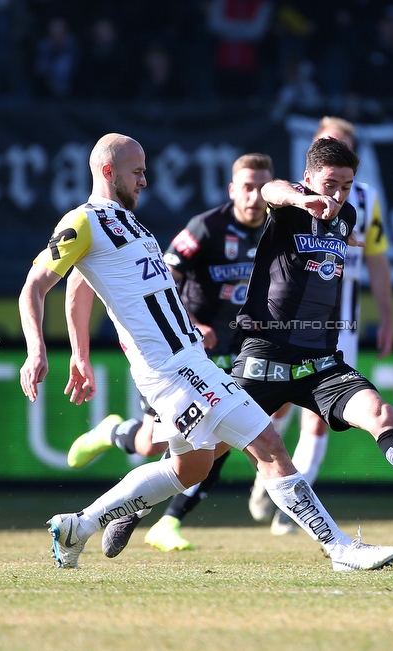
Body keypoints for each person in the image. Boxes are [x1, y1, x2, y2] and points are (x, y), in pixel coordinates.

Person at [19, 132, 393, 572]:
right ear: (109, 172)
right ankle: (340, 549)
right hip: (171, 370)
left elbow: (80, 286)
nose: (145, 181)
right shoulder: (82, 221)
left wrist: (80, 354)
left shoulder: (128, 224)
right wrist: (39, 351)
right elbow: (36, 286)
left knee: (191, 470)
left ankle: (78, 526)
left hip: (189, 362)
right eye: (137, 172)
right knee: (268, 444)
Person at [233, 136, 393, 521]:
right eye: (329, 184)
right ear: (307, 178)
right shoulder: (288, 207)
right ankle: (131, 505)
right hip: (265, 358)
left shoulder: (348, 216)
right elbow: (273, 188)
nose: (338, 195)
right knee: (198, 456)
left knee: (380, 413)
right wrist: (301, 198)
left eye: (346, 186)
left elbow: (360, 246)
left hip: (319, 363)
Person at [65, 152, 274, 553]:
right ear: (233, 190)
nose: (254, 197)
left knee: (227, 437)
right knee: (152, 445)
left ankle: (166, 517)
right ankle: (114, 434)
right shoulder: (205, 228)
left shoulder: (272, 229)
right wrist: (192, 323)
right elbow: (163, 275)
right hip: (178, 351)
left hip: (237, 350)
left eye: (261, 189)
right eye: (247, 188)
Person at [246, 116, 393, 535]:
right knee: (275, 405)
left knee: (319, 415)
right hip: (284, 320)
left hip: (339, 320)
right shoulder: (293, 192)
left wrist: (387, 316)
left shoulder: (365, 201)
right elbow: (269, 191)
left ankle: (292, 508)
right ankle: (270, 476)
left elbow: (377, 259)